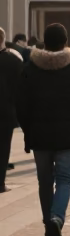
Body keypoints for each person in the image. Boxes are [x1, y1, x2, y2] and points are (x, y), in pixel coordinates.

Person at [16, 23, 70, 236]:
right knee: (64, 179)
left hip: (40, 135)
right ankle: (56, 219)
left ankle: (47, 223)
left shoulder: (30, 68)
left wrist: (27, 132)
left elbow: (21, 105)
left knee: (44, 181)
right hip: (68, 135)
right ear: (65, 42)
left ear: (44, 42)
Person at [0, 30, 23, 190]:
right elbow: (21, 87)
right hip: (5, 111)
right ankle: (0, 182)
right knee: (3, 147)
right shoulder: (13, 60)